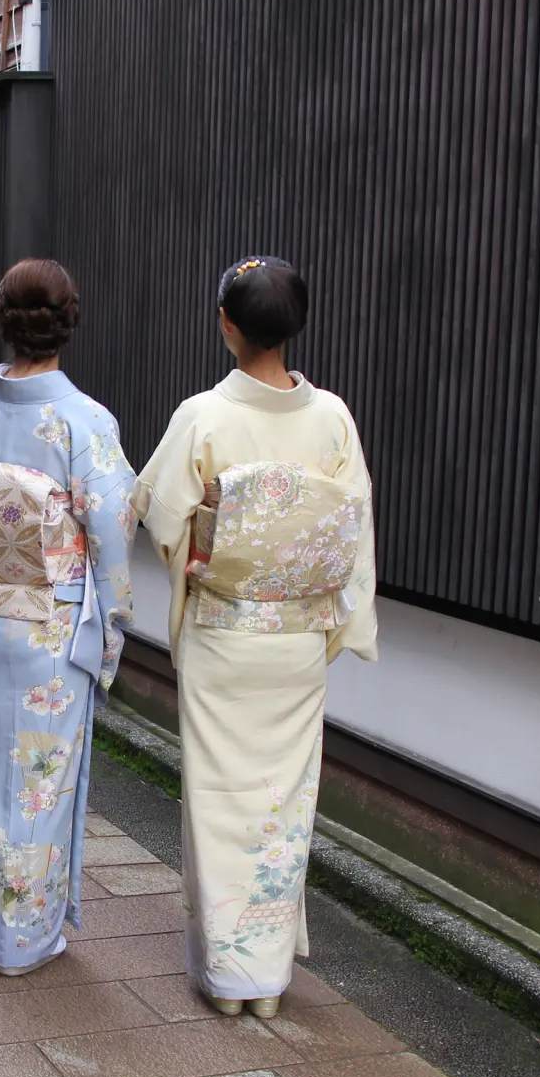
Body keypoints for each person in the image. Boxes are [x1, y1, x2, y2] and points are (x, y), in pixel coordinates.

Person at [130, 256, 377, 1018]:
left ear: (227, 326)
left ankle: (229, 977)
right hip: (297, 640)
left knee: (220, 799)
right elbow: (351, 532)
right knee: (283, 801)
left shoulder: (202, 415)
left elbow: (161, 517)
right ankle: (266, 981)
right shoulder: (333, 416)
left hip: (225, 634)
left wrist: (215, 533)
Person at [0, 259, 137, 976]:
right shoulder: (84, 421)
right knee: (39, 784)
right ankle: (25, 941)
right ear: (67, 321)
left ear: (2, 320)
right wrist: (113, 626)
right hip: (49, 629)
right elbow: (112, 534)